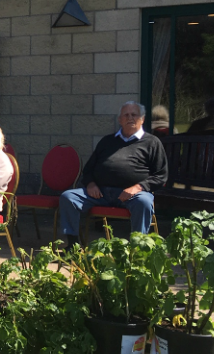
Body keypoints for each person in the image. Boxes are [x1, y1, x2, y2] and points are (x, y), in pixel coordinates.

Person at [59, 101, 168, 246]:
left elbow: (161, 175)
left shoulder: (152, 142)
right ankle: (72, 246)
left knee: (144, 202)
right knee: (68, 197)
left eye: (134, 115)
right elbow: (89, 169)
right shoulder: (107, 141)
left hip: (134, 195)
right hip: (101, 194)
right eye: (126, 115)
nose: (130, 118)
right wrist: (91, 184)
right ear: (120, 120)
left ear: (142, 119)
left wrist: (138, 187)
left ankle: (137, 249)